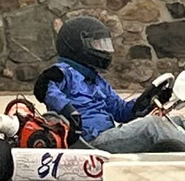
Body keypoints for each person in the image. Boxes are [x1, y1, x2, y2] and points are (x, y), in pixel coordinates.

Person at [35, 15, 185, 153]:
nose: (103, 50)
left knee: (178, 121)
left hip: (110, 134)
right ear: (77, 45)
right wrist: (69, 111)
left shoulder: (96, 80)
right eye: (97, 45)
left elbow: (121, 112)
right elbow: (43, 88)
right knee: (153, 125)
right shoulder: (61, 73)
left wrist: (149, 101)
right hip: (90, 141)